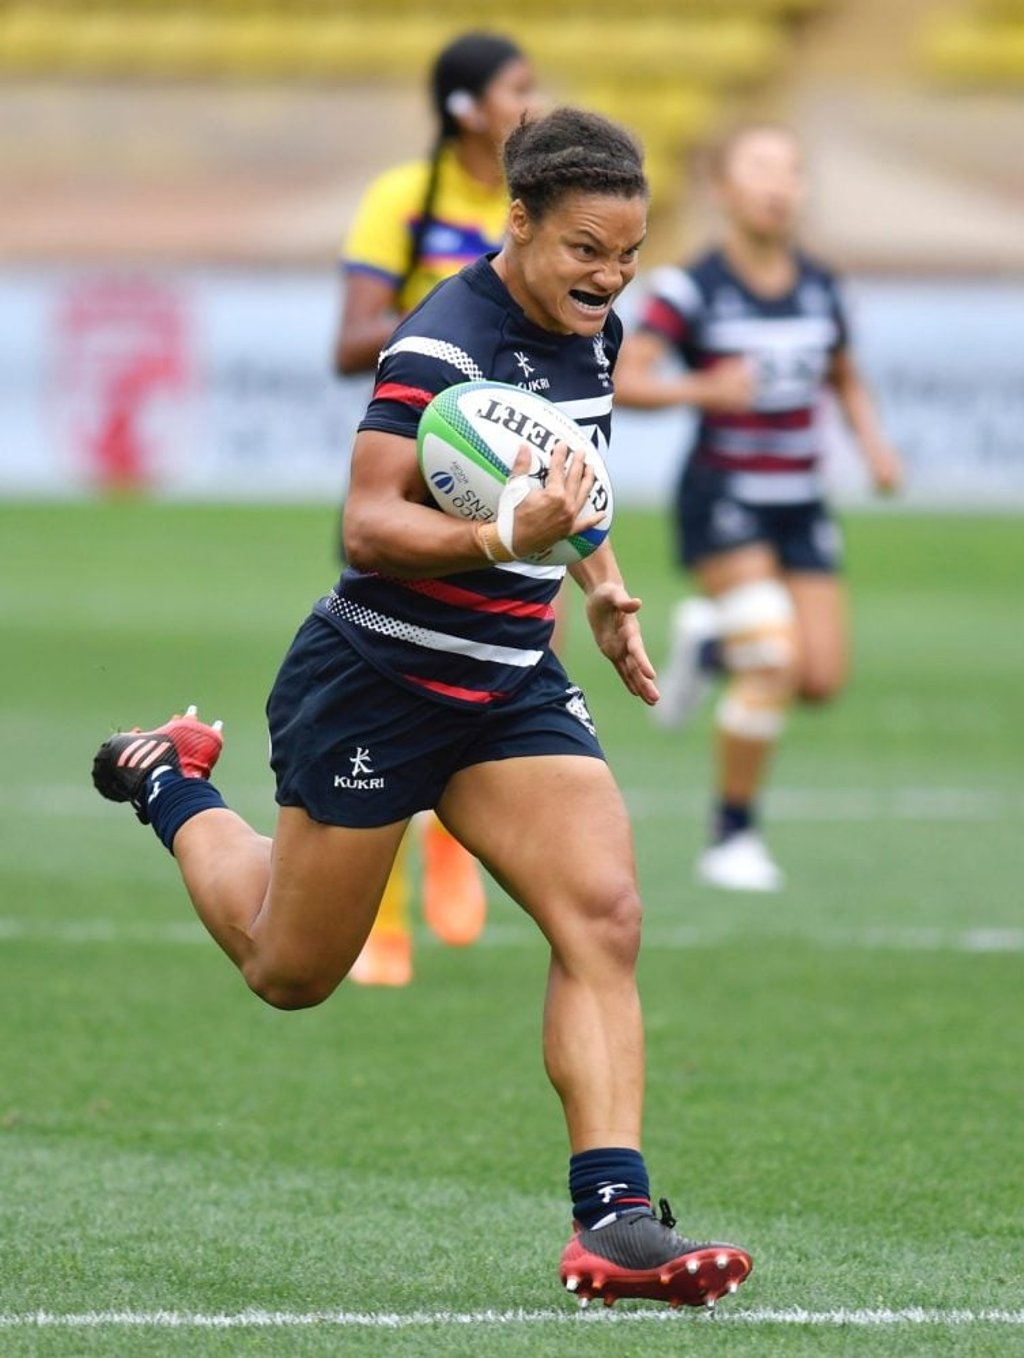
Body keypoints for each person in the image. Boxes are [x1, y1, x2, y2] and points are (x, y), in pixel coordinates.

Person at [92, 107, 753, 1310]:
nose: (608, 279)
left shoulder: (589, 332)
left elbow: (575, 486)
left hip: (507, 682)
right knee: (289, 968)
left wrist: (599, 588)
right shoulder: (440, 342)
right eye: (585, 252)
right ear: (519, 223)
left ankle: (612, 1215)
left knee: (602, 914)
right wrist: (509, 535)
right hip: (381, 677)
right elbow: (368, 524)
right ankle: (169, 776)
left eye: (628, 255)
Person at [614, 123, 902, 893]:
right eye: (762, 169)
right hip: (724, 494)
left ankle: (711, 648)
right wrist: (702, 388)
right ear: (723, 189)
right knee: (773, 658)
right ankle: (731, 836)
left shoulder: (821, 285)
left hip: (800, 500)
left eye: (792, 170)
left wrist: (873, 446)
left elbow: (844, 373)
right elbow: (627, 378)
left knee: (820, 678)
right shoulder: (691, 289)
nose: (780, 186)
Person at [334, 31, 542, 986]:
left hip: (517, 477)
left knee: (519, 656)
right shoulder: (400, 201)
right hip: (411, 475)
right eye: (515, 90)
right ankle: (377, 912)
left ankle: (452, 848)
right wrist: (444, 309)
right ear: (466, 108)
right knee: (390, 679)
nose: (530, 105)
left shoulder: (530, 210)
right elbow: (349, 344)